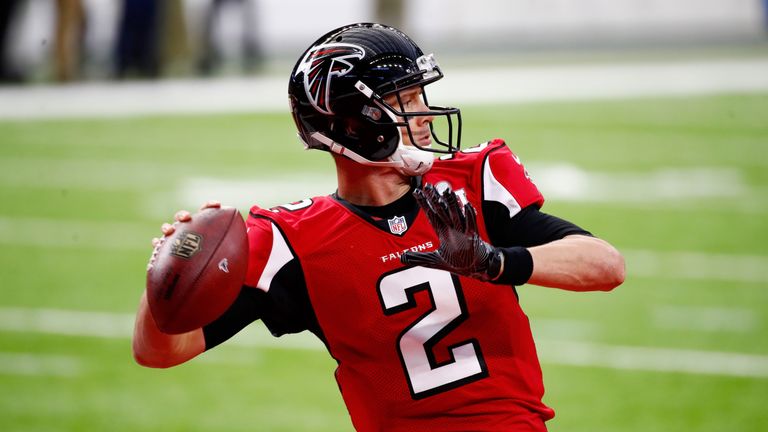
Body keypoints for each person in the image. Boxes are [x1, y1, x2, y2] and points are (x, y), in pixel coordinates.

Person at [133, 23, 625, 432]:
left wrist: (494, 261)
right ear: (354, 124)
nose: (425, 113)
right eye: (405, 101)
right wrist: (167, 277)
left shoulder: (471, 183)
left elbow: (605, 265)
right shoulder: (293, 242)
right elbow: (161, 351)